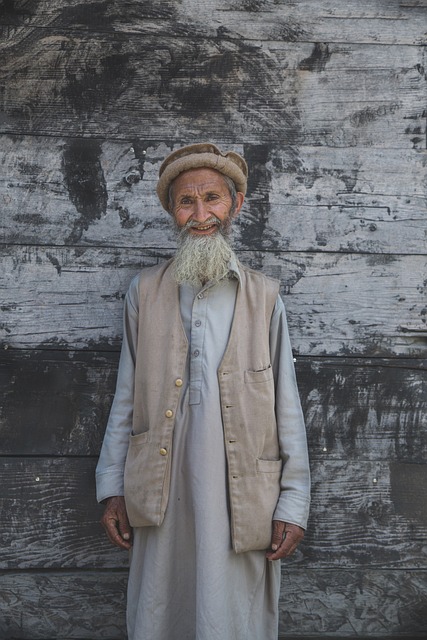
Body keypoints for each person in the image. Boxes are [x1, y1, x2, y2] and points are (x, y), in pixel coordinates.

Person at [96, 142, 311, 640]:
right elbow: (125, 395)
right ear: (173, 211)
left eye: (212, 198)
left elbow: (287, 407)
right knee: (160, 608)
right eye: (186, 202)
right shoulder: (144, 292)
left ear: (235, 205)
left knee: (232, 614)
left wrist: (293, 503)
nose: (200, 214)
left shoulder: (265, 297)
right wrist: (112, 488)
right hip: (161, 486)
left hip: (244, 493)